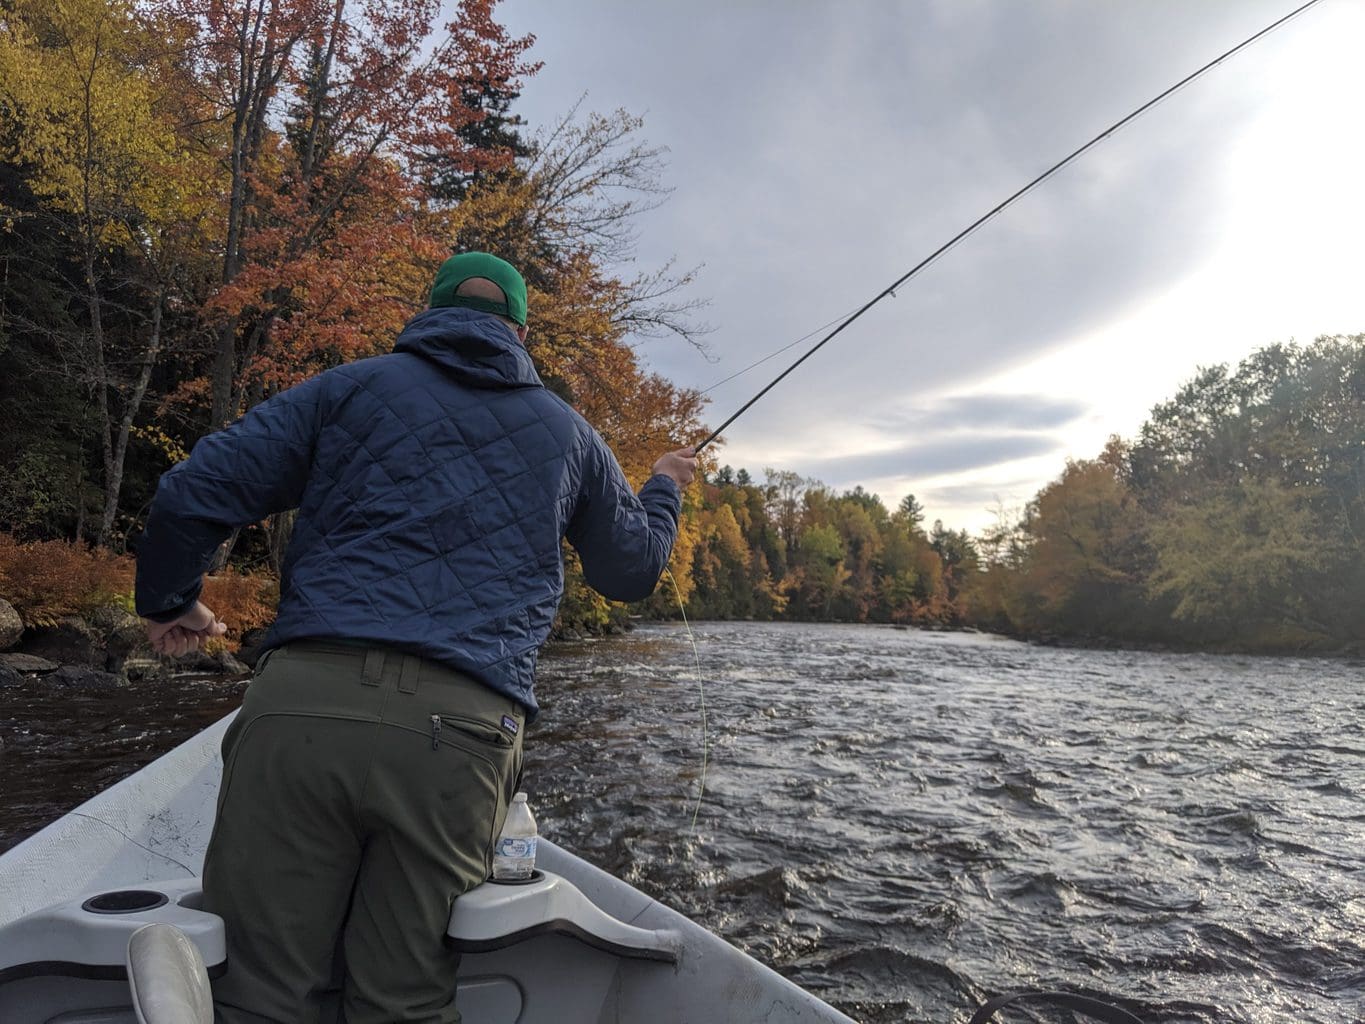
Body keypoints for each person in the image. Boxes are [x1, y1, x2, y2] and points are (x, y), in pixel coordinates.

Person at [135, 251, 696, 1023]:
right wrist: (663, 484)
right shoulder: (572, 436)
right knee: (403, 1003)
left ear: (429, 311)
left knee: (259, 996)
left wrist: (175, 602)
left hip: (303, 706)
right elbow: (630, 571)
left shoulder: (347, 388)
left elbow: (189, 494)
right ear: (521, 330)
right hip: (462, 735)